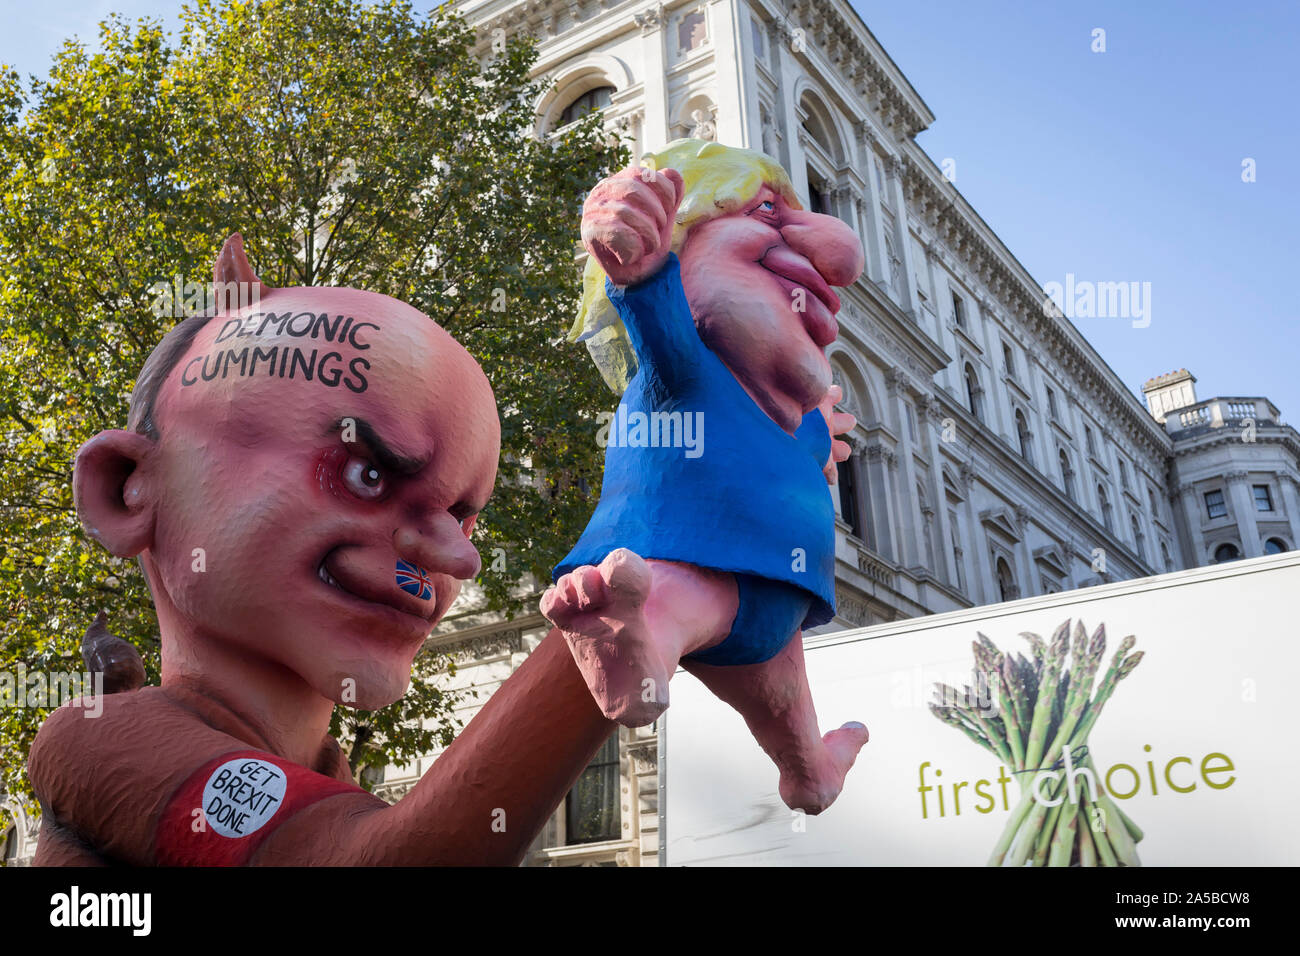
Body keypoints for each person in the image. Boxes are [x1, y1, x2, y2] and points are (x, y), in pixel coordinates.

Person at [28, 235, 615, 865]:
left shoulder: (328, 776)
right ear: (125, 492)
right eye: (366, 475)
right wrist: (600, 633)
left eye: (459, 514)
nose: (459, 559)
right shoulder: (99, 737)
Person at [543, 140, 870, 815]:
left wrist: (819, 440)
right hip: (692, 572)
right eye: (769, 214)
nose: (829, 256)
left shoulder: (796, 414)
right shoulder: (686, 369)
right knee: (658, 598)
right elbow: (658, 319)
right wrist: (640, 270)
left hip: (780, 614)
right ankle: (634, 647)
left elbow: (805, 452)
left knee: (791, 717)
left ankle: (811, 771)